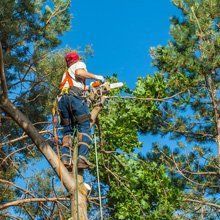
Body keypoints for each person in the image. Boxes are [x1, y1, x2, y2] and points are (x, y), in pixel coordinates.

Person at [58, 51, 105, 170]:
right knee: (85, 126)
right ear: (77, 60)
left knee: (67, 131)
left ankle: (65, 158)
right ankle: (81, 159)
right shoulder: (78, 65)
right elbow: (80, 73)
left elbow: (76, 84)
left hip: (62, 101)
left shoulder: (67, 73)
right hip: (74, 98)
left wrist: (90, 87)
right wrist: (96, 76)